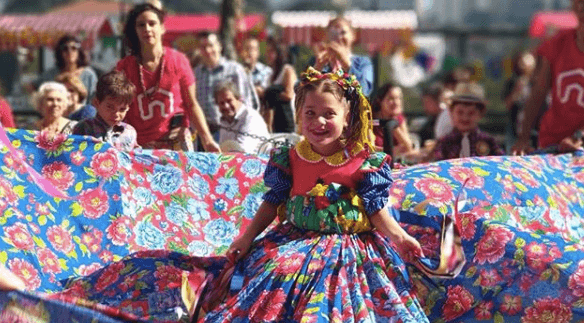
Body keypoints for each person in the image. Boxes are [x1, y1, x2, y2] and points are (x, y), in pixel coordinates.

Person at [116, 3, 219, 152]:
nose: (147, 29)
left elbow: (192, 104)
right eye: (141, 25)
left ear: (162, 27)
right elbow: (115, 107)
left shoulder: (178, 61)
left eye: (152, 23)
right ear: (135, 30)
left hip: (176, 144)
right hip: (138, 147)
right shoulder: (124, 67)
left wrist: (207, 140)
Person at [513, 0, 584, 154]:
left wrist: (579, 136)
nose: (581, 7)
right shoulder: (558, 43)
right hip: (553, 140)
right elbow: (538, 92)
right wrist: (523, 138)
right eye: (578, 2)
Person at [194, 31, 260, 137]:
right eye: (203, 47)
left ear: (219, 46)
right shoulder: (196, 73)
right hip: (203, 134)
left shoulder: (234, 70)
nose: (208, 50)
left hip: (230, 131)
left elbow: (248, 103)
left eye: (211, 45)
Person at [432, 83, 504, 161]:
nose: (465, 118)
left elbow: (501, 163)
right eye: (460, 112)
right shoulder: (444, 143)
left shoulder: (488, 141)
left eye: (471, 113)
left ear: (481, 114)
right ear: (451, 113)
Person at [72, 71, 138, 152]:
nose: (116, 114)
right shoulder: (84, 128)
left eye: (122, 109)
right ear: (96, 103)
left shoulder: (129, 132)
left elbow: (136, 157)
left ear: (128, 108)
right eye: (110, 107)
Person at [313, 16, 374, 97]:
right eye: (333, 33)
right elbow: (304, 92)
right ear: (326, 36)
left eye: (343, 32)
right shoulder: (318, 61)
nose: (339, 37)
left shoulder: (362, 62)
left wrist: (344, 62)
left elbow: (364, 91)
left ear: (353, 35)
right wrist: (318, 67)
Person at [34, 35, 98, 103]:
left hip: (81, 112)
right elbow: (32, 87)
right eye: (65, 48)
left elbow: (94, 100)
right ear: (60, 53)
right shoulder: (51, 74)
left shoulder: (88, 75)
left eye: (74, 48)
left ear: (79, 52)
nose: (69, 51)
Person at [215, 80, 270, 153]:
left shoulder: (251, 118)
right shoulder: (224, 120)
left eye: (229, 101)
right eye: (222, 103)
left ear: (239, 99)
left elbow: (242, 151)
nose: (226, 106)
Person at [263, 36, 297, 133]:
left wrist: (270, 93)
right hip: (275, 122)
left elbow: (289, 95)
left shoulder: (287, 70)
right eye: (267, 52)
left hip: (288, 121)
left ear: (279, 53)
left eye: (271, 52)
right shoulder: (270, 74)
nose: (267, 55)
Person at [372, 82, 413, 155]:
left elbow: (408, 147)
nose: (396, 103)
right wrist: (391, 150)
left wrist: (393, 123)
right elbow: (370, 149)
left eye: (398, 98)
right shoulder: (371, 120)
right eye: (391, 98)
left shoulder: (398, 118)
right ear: (380, 101)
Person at [240, 36, 272, 102]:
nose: (249, 52)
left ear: (258, 52)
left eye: (253, 49)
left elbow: (264, 92)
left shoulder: (266, 71)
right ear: (242, 52)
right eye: (247, 49)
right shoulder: (237, 71)